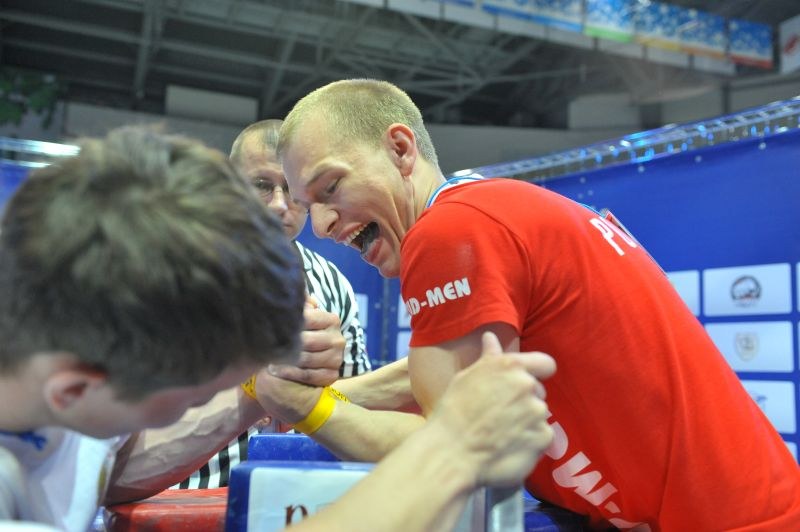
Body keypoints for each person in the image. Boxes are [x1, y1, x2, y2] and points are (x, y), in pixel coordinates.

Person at [275, 79, 800, 530]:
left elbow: (458, 447)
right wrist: (334, 395)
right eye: (308, 204)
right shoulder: (486, 208)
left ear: (400, 149)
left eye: (331, 187)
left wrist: (305, 408)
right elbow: (454, 375)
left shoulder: (449, 232)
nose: (321, 225)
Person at [0, 125, 556, 531]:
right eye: (189, 399)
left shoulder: (73, 365)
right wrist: (452, 451)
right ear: (73, 390)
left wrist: (256, 393)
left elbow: (109, 462)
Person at [176, 119, 371, 489]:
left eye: (293, 189)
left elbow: (355, 405)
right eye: (262, 186)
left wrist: (321, 382)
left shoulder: (334, 285)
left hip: (296, 497)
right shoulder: (175, 273)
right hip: (182, 498)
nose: (280, 205)